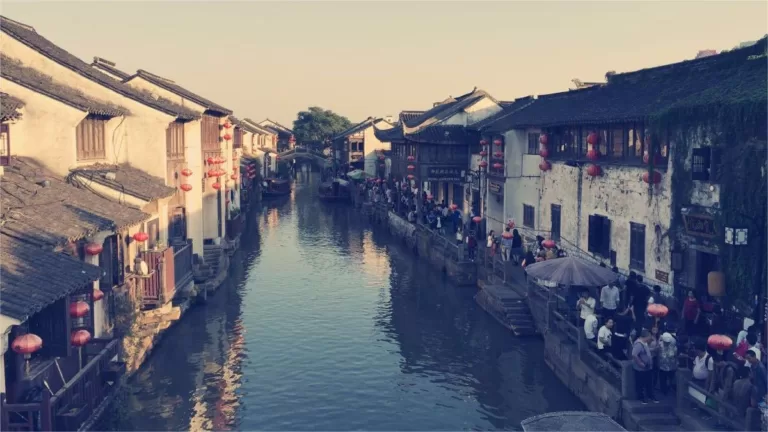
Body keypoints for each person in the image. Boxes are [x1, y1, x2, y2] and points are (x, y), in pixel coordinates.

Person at [632, 329, 657, 403]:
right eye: (649, 336)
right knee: (640, 383)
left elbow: (647, 350)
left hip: (647, 367)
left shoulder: (645, 343)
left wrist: (654, 349)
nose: (650, 337)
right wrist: (640, 363)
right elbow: (634, 354)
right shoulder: (638, 344)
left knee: (649, 382)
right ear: (645, 336)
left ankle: (650, 396)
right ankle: (641, 397)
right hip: (641, 368)